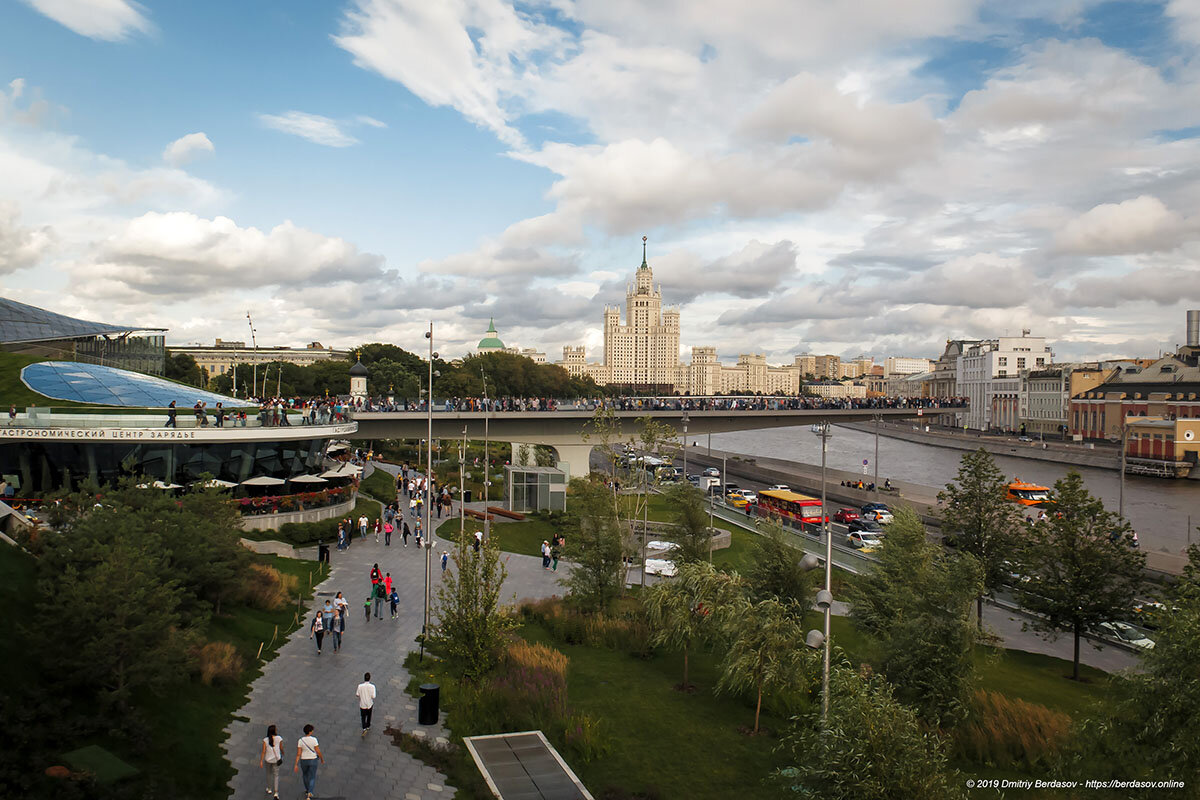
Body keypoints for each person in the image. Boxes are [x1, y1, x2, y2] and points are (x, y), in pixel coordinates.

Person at [294, 724, 324, 800]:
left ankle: (307, 789)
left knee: (305, 775)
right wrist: (321, 758)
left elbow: (298, 753)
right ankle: (310, 792)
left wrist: (296, 764)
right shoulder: (314, 740)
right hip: (313, 759)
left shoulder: (300, 740)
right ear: (310, 731)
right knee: (312, 776)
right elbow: (318, 751)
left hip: (303, 760)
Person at [258, 723, 283, 800]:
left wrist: (261, 761)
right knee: (276, 775)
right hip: (276, 759)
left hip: (268, 759)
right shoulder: (279, 738)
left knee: (268, 774)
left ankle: (269, 788)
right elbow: (281, 748)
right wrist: (282, 753)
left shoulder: (265, 740)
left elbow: (263, 751)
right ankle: (276, 792)